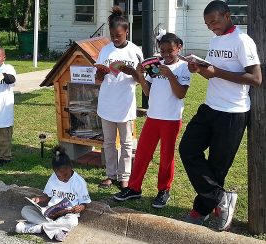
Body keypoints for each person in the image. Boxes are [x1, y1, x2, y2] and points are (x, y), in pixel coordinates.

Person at [179, 0, 262, 231]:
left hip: (233, 112)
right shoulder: (216, 39)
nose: (211, 27)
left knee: (217, 167)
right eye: (207, 24)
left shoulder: (242, 41)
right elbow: (212, 74)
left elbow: (256, 78)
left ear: (227, 15)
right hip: (210, 107)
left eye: (214, 21)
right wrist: (200, 70)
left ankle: (202, 210)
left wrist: (216, 72)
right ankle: (221, 198)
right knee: (187, 148)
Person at [114, 32, 191, 208]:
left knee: (166, 156)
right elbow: (147, 92)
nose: (165, 54)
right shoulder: (155, 65)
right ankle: (134, 188)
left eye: (170, 51)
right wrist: (141, 75)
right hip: (153, 117)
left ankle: (164, 190)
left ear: (179, 47)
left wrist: (170, 75)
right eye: (162, 51)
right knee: (142, 154)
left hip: (171, 119)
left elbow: (181, 94)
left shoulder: (184, 67)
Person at [95, 6, 143, 189]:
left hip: (125, 104)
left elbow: (142, 79)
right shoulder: (105, 51)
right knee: (108, 142)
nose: (115, 39)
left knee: (126, 142)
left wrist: (131, 71)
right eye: (112, 36)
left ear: (127, 32)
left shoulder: (135, 51)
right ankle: (111, 174)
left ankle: (125, 176)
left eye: (119, 35)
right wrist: (100, 73)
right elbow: (98, 78)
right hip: (107, 102)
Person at [15, 145, 91, 242]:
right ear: (54, 172)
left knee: (72, 221)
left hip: (67, 214)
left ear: (71, 167)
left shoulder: (79, 182)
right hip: (49, 213)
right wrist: (38, 199)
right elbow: (47, 196)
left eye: (66, 174)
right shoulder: (53, 178)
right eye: (59, 176)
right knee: (25, 210)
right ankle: (57, 231)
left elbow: (85, 203)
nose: (63, 178)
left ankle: (39, 228)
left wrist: (80, 207)